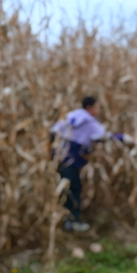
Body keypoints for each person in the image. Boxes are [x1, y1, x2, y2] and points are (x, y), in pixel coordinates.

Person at [50, 96, 111, 232]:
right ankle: (72, 221)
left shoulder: (72, 115)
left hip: (58, 157)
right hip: (72, 159)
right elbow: (102, 136)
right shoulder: (89, 120)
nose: (97, 110)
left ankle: (62, 220)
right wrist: (122, 138)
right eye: (96, 107)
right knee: (74, 189)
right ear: (89, 107)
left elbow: (54, 131)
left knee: (63, 188)